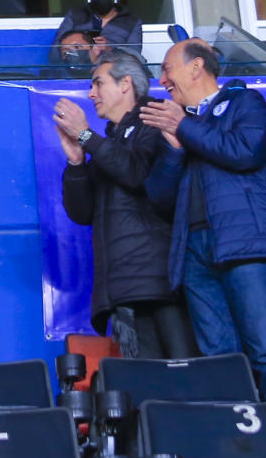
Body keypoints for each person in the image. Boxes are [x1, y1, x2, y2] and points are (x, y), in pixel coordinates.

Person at [143, 40, 266, 397]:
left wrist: (184, 127)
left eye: (167, 69)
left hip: (245, 242)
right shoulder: (182, 125)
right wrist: (173, 148)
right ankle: (237, 442)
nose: (162, 80)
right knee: (217, 358)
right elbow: (160, 198)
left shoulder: (245, 103)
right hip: (194, 252)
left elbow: (246, 152)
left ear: (196, 67)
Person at [53, 50, 199, 359]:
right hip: (125, 288)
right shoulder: (110, 141)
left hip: (163, 284)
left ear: (125, 84)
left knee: (185, 376)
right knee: (146, 387)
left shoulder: (156, 118)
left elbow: (137, 174)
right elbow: (82, 213)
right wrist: (76, 163)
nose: (91, 93)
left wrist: (84, 135)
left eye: (98, 83)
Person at [50, 0, 143, 63]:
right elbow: (54, 54)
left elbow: (135, 58)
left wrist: (110, 50)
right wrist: (78, 50)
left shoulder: (131, 21)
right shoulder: (76, 15)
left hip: (114, 73)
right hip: (77, 71)